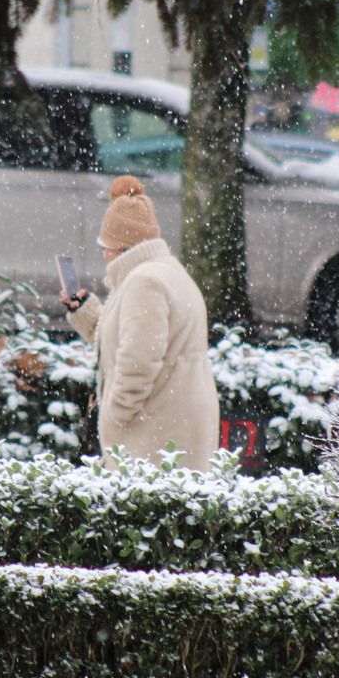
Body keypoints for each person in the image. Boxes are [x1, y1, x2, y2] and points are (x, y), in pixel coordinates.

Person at [59, 175, 219, 471]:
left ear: (121, 247)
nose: (104, 253)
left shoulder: (144, 283)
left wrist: (114, 416)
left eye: (106, 245)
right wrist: (85, 312)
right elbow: (131, 339)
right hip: (177, 423)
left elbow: (138, 360)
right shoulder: (166, 272)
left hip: (157, 431)